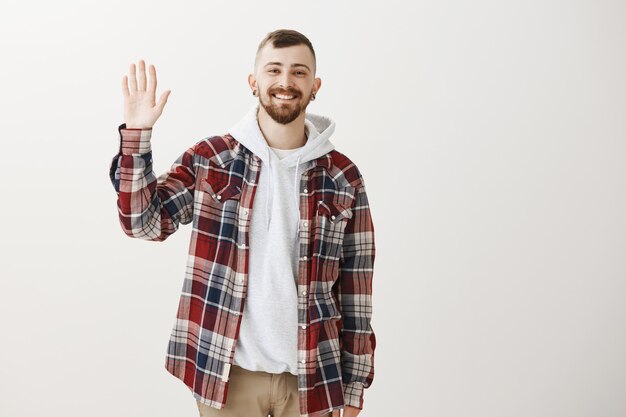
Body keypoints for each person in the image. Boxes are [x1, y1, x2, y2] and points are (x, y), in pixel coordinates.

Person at [109, 29, 376, 417]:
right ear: (254, 82)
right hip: (226, 375)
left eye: (299, 72)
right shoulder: (211, 159)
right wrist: (137, 135)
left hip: (313, 379)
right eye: (274, 70)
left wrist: (353, 389)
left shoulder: (343, 176)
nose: (285, 82)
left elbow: (357, 292)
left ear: (315, 86)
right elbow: (143, 223)